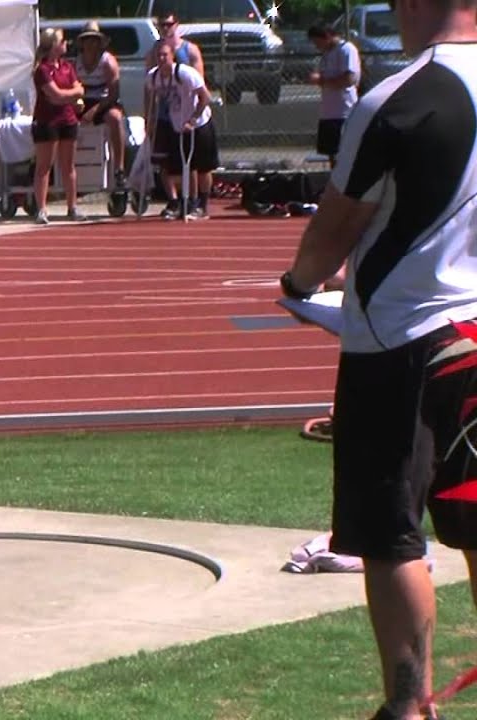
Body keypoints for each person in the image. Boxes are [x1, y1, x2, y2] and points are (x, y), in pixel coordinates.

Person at [279, 0, 477, 714]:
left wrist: (299, 284)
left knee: (390, 534)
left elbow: (336, 225)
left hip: (401, 341)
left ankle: (409, 704)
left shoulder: (398, 98)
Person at [144, 42, 218, 220]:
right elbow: (150, 97)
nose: (161, 59)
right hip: (178, 123)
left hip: (200, 123)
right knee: (187, 165)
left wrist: (193, 119)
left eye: (165, 55)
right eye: (158, 55)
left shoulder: (185, 73)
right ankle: (189, 202)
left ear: (172, 56)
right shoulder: (154, 77)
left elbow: (205, 97)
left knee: (203, 167)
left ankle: (202, 204)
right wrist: (149, 119)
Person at [144, 10, 208, 208]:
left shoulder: (189, 50)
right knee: (165, 161)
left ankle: (194, 200)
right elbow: (149, 87)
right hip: (165, 114)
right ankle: (173, 201)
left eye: (169, 24)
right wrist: (149, 117)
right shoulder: (154, 52)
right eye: (161, 25)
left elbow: (200, 85)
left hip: (187, 113)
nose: (165, 29)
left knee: (192, 161)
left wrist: (193, 117)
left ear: (176, 25)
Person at [31, 28, 86, 223]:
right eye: (62, 41)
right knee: (44, 166)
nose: (65, 44)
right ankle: (41, 209)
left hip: (68, 119)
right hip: (47, 121)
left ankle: (72, 207)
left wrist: (71, 94)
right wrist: (73, 94)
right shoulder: (43, 70)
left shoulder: (67, 67)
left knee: (68, 166)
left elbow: (79, 88)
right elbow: (56, 95)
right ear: (53, 45)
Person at [73, 21, 128, 190]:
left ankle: (119, 169)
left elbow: (113, 94)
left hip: (104, 101)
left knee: (115, 118)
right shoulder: (76, 63)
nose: (90, 44)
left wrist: (94, 111)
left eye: (94, 40)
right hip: (84, 100)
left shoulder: (108, 62)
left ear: (99, 43)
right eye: (87, 40)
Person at [307, 22, 361, 167]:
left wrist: (322, 81)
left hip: (343, 112)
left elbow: (350, 79)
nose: (316, 46)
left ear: (327, 36)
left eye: (317, 42)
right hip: (328, 113)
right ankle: (334, 180)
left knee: (345, 155)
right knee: (331, 154)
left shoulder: (346, 50)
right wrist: (318, 78)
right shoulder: (326, 54)